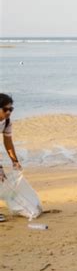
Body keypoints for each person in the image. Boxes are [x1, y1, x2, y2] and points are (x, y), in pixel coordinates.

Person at [0, 93, 22, 222]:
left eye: (11, 109)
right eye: (5, 109)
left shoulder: (7, 122)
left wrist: (15, 161)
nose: (9, 112)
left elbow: (8, 142)